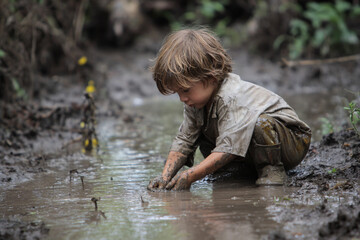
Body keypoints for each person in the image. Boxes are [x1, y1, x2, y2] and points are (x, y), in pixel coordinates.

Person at [147, 28, 311, 191]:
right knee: (202, 130)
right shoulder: (196, 103)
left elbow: (228, 148)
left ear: (210, 78)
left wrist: (191, 175)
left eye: (186, 90)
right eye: (177, 93)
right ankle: (233, 172)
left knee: (261, 124)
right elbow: (184, 140)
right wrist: (164, 177)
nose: (182, 98)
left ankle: (272, 170)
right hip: (247, 145)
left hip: (291, 142)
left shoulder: (230, 97)